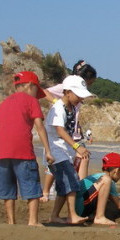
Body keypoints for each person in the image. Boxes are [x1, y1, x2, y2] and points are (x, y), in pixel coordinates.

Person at [0, 71, 54, 226]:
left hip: (1, 153)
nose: (36, 95)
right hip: (23, 151)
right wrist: (48, 151)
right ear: (30, 85)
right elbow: (40, 127)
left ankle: (11, 221)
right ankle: (32, 221)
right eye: (36, 91)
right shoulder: (31, 101)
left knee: (8, 189)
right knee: (31, 185)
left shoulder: (3, 104)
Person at [40, 60, 97, 202]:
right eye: (89, 82)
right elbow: (44, 91)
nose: (89, 86)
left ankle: (79, 189)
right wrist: (56, 102)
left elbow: (74, 116)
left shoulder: (79, 95)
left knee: (77, 161)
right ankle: (47, 191)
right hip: (62, 136)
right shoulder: (67, 88)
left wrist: (79, 128)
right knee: (57, 164)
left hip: (73, 132)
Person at [46, 75, 93, 224]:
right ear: (67, 92)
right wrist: (77, 146)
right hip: (56, 151)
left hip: (63, 152)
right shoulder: (58, 108)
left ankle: (54, 216)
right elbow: (60, 130)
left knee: (62, 186)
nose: (81, 99)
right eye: (78, 95)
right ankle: (72, 215)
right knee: (72, 180)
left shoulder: (70, 108)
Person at [73, 152, 120, 225]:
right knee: (107, 180)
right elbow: (119, 205)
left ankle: (94, 215)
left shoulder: (97, 176)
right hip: (81, 208)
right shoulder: (107, 180)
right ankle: (99, 217)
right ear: (117, 170)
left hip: (78, 205)